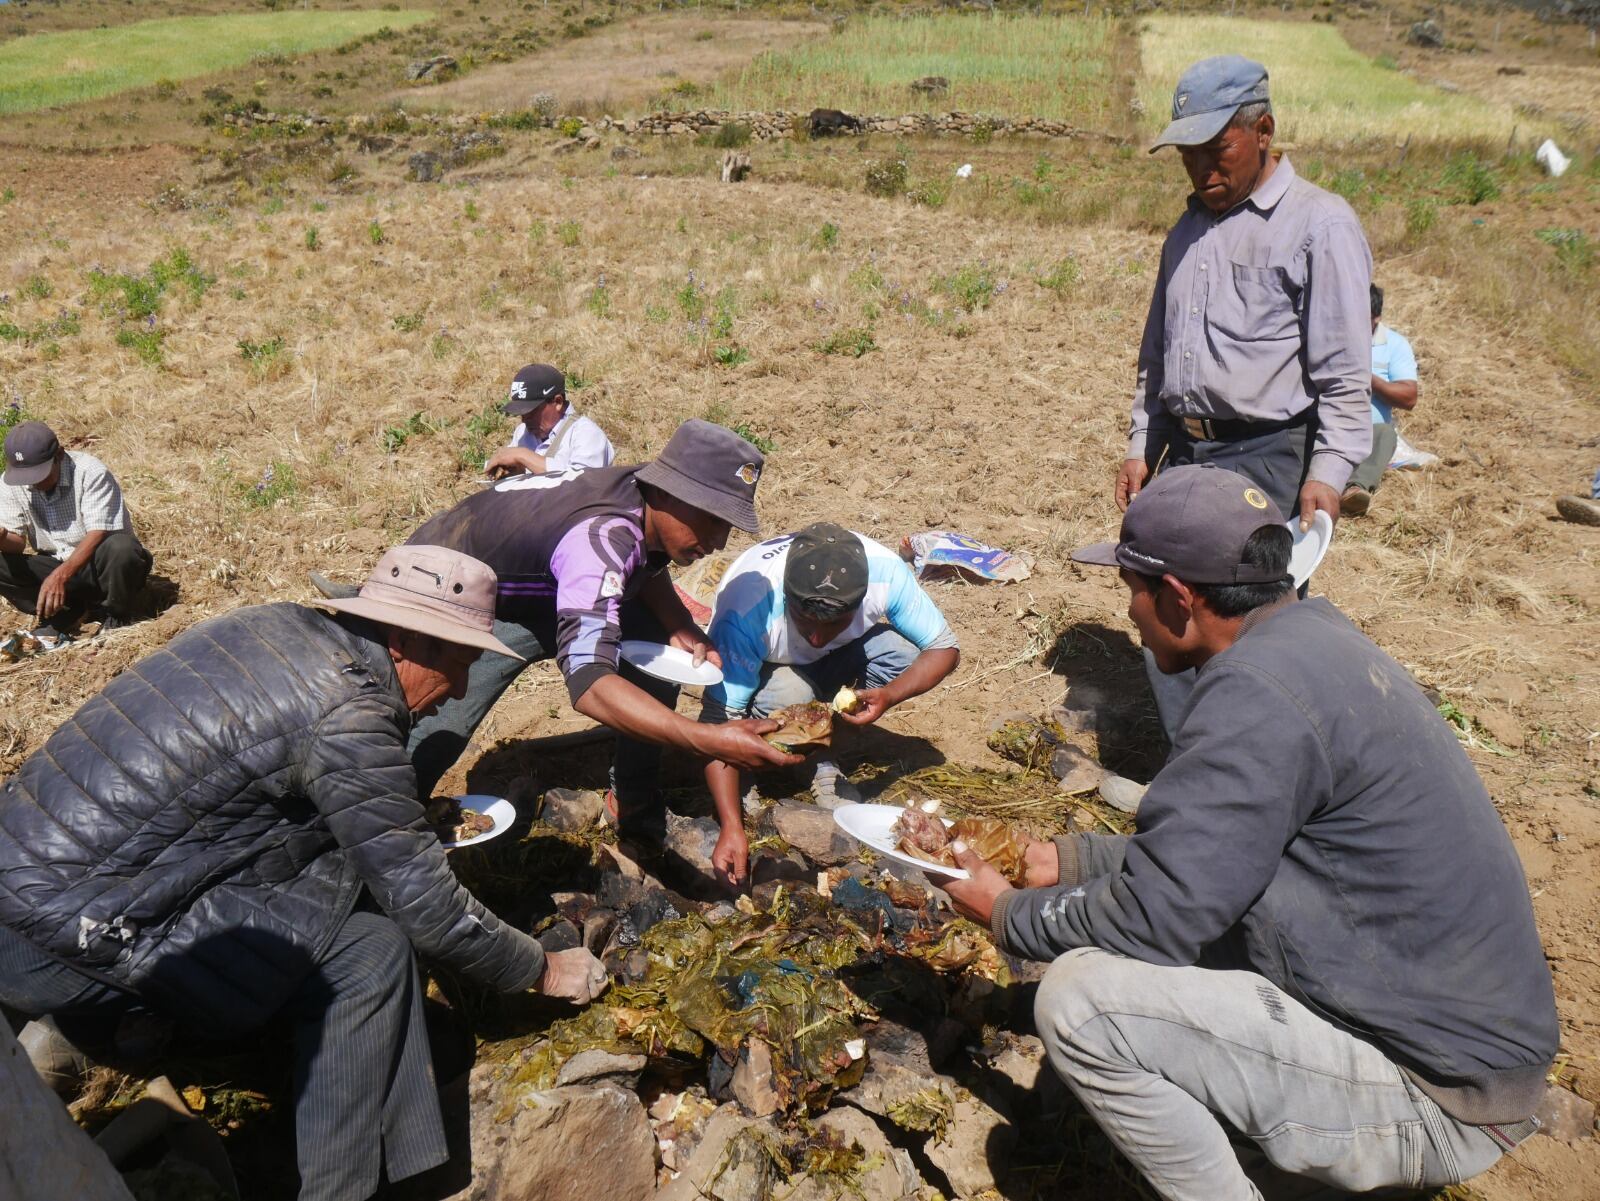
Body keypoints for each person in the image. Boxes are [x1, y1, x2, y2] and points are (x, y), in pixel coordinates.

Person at [944, 465, 1557, 1201]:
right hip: (1468, 1053)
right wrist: (1066, 860)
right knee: (1199, 939)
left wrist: (1007, 912)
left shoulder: (1252, 694)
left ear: (1178, 598)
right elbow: (1217, 857)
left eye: (1131, 591)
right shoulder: (1310, 642)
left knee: (1080, 1001)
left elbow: (1158, 918)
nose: (1130, 614)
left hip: (1441, 1096)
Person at [0, 545, 608, 1201]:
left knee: (353, 918)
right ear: (406, 639)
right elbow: (428, 905)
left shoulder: (277, 625)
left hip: (31, 872)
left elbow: (228, 806)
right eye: (460, 663)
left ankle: (407, 1166)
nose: (459, 691)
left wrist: (392, 825)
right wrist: (542, 968)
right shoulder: (352, 712)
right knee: (371, 952)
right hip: (71, 934)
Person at [392, 418, 800, 846]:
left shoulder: (647, 500)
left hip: (543, 575)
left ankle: (632, 800)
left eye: (727, 525)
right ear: (665, 491)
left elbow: (642, 558)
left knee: (659, 647)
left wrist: (679, 623)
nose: (719, 541)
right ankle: (388, 822)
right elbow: (588, 682)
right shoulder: (601, 536)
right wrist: (704, 739)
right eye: (711, 521)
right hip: (447, 585)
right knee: (443, 706)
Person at [1115, 55, 1373, 531]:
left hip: (1268, 460)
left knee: (1249, 603)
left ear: (1264, 130)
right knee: (1172, 597)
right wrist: (1143, 444)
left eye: (1216, 149)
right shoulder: (1186, 232)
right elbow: (1157, 356)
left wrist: (1330, 473)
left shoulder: (1319, 225)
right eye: (1187, 154)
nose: (1200, 168)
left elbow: (1344, 372)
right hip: (1186, 451)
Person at [697, 522, 961, 885]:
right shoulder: (747, 610)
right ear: (788, 597)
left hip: (836, 662)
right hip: (769, 672)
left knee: (904, 656)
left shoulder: (885, 574)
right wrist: (730, 823)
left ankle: (820, 746)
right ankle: (796, 760)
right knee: (790, 694)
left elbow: (944, 649)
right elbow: (716, 720)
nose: (818, 636)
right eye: (805, 621)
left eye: (836, 622)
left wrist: (890, 694)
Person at [0, 420, 153, 643]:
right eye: (27, 477)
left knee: (122, 548)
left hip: (102, 567)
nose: (34, 483)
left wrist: (60, 576)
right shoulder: (10, 484)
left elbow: (98, 531)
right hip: (56, 565)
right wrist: (2, 537)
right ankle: (64, 612)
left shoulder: (90, 471)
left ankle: (116, 615)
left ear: (59, 455)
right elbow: (17, 544)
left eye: (39, 475)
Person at [1342, 283, 1420, 517]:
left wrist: (1367, 379)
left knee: (1387, 435)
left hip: (1368, 432)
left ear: (1375, 318)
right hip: (1326, 422)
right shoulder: (1328, 335)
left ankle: (1354, 489)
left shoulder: (1395, 344)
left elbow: (1409, 397)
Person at [484, 363, 614, 480]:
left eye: (532, 411)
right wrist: (512, 472)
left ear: (557, 402)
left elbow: (583, 483)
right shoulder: (522, 433)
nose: (525, 419)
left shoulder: (585, 433)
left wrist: (522, 455)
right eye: (522, 412)